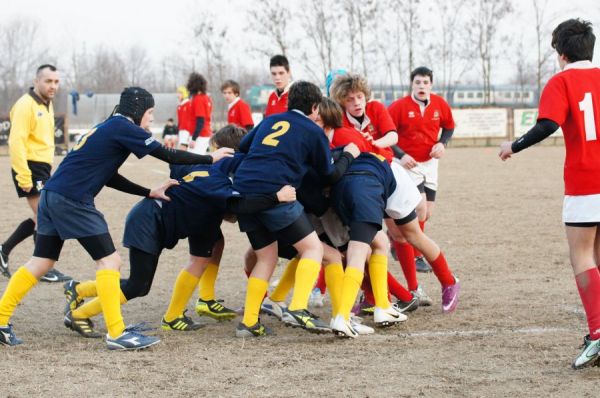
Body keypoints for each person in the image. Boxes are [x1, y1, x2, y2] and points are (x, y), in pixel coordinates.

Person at [0, 87, 233, 349]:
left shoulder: (108, 127)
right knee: (110, 261)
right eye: (150, 112)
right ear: (137, 111)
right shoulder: (125, 127)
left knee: (41, 261)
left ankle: (0, 319)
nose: (151, 119)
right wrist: (209, 157)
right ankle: (117, 332)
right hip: (73, 199)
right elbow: (167, 154)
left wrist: (147, 191)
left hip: (52, 194)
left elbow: (109, 175)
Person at [61, 125, 295, 338]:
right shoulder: (216, 181)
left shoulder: (202, 167)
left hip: (181, 220)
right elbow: (238, 205)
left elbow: (178, 166)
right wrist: (277, 197)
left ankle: (174, 316)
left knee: (207, 250)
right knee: (138, 286)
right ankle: (80, 311)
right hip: (149, 223)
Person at [499, 19, 600, 370]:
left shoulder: (562, 81)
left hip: (586, 181)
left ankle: (598, 334)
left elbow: (549, 124)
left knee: (583, 256)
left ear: (561, 54)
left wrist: (513, 145)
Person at [233, 81, 359, 337]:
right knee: (312, 249)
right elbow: (329, 175)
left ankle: (249, 323)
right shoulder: (312, 131)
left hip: (244, 193)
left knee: (266, 257)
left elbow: (243, 147)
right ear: (315, 107)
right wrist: (348, 155)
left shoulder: (270, 120)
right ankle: (298, 307)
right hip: (277, 194)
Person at [1, 64, 71, 283]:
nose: (53, 86)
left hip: (41, 167)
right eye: (48, 81)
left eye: (56, 82)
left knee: (41, 215)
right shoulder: (25, 105)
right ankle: (42, 267)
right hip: (29, 168)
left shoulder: (46, 104)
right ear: (36, 81)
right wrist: (23, 175)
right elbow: (16, 141)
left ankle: (4, 249)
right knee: (46, 216)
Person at [388, 66, 455, 274]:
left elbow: (450, 126)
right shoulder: (399, 106)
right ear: (412, 84)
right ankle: (416, 255)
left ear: (431, 85)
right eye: (418, 82)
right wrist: (402, 155)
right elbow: (386, 133)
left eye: (425, 83)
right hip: (407, 165)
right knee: (421, 209)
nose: (422, 86)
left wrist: (442, 143)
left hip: (430, 164)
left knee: (428, 212)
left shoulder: (439, 104)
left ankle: (395, 239)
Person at [187, 73, 212, 154]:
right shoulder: (206, 97)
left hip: (200, 136)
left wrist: (194, 139)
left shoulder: (198, 99)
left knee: (194, 163)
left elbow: (200, 121)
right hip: (204, 134)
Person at [176, 85, 193, 150]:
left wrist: (190, 132)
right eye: (178, 93)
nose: (178, 95)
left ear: (184, 93)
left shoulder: (189, 103)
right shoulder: (179, 106)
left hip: (188, 131)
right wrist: (177, 132)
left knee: (184, 149)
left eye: (180, 93)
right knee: (181, 149)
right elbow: (179, 121)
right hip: (181, 130)